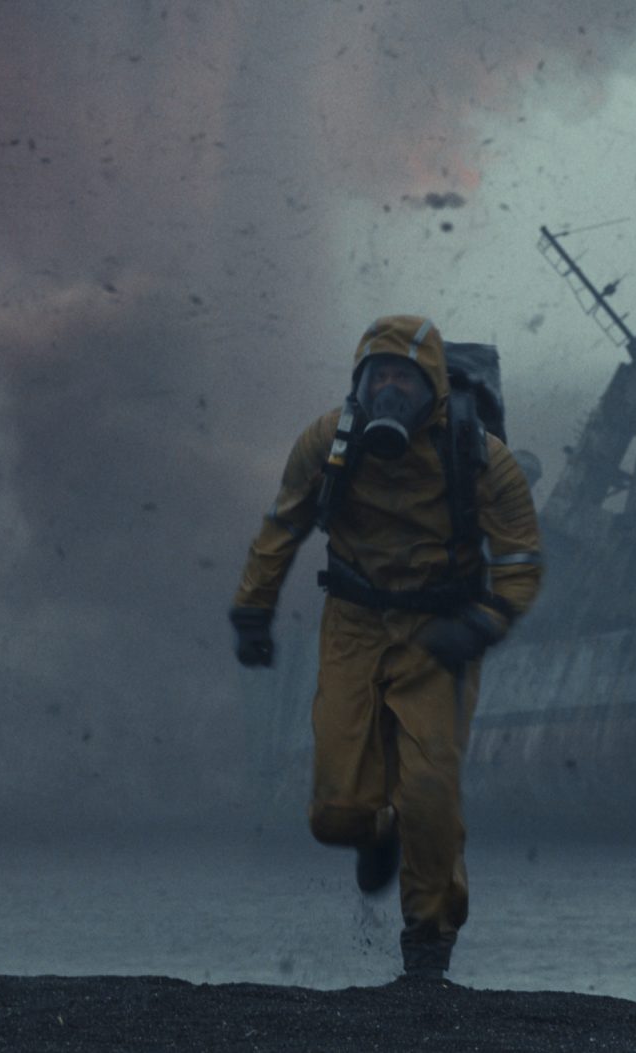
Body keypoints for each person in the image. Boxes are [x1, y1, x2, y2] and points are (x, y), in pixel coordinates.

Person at [229, 314, 544, 982]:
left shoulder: (479, 453)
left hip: (439, 630)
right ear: (360, 384)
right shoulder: (327, 442)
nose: (391, 390)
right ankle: (376, 834)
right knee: (335, 812)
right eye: (379, 376)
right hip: (354, 623)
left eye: (405, 376)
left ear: (432, 384)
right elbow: (283, 526)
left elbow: (519, 556)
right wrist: (253, 608)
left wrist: (484, 622)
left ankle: (428, 947)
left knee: (430, 790)